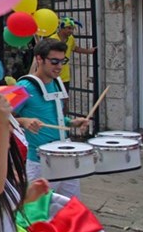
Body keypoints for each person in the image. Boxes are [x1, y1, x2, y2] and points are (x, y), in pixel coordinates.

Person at [15, 39, 89, 198]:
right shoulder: (24, 87)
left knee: (70, 208)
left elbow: (55, 117)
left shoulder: (57, 83)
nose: (59, 66)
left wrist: (72, 122)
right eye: (54, 61)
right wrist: (24, 122)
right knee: (38, 213)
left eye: (63, 61)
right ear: (39, 59)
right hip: (40, 162)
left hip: (65, 156)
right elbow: (3, 117)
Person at [50, 17, 96, 103]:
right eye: (69, 28)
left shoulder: (71, 39)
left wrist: (88, 51)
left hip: (65, 76)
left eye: (72, 29)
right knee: (54, 100)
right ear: (62, 28)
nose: (71, 31)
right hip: (53, 76)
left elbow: (74, 48)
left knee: (65, 100)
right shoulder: (53, 39)